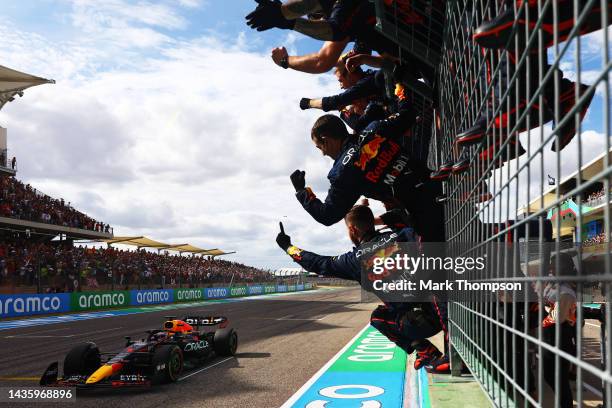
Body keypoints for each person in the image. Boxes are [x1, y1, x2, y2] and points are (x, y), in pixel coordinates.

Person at [275, 205, 449, 371]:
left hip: (416, 323)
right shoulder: (403, 234)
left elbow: (317, 263)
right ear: (372, 223)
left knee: (378, 318)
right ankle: (447, 350)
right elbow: (407, 218)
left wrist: (288, 247)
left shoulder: (354, 260)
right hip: (445, 311)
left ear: (353, 230)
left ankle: (424, 350)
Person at [291, 109, 445, 242]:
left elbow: (327, 215)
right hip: (441, 183)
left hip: (427, 216)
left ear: (326, 140)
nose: (323, 153)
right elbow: (408, 114)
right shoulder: (374, 128)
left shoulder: (342, 173)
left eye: (319, 148)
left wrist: (302, 192)